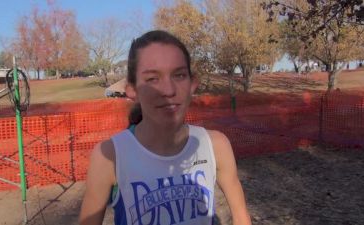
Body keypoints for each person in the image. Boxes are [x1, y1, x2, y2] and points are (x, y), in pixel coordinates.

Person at [79, 30, 251, 225]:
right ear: (132, 89)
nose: (168, 91)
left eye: (179, 75)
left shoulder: (216, 145)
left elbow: (241, 218)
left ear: (192, 83)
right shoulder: (110, 156)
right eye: (152, 79)